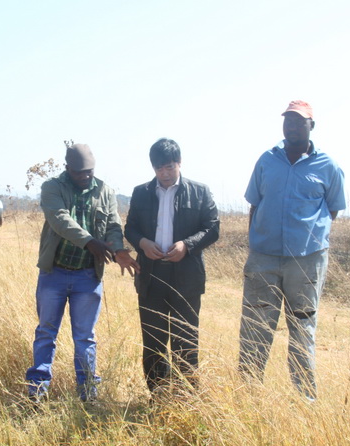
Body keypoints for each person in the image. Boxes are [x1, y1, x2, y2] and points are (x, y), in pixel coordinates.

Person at [239, 100, 346, 400]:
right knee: (255, 327)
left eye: (299, 122)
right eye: (288, 120)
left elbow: (332, 210)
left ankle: (305, 402)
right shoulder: (266, 160)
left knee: (302, 330)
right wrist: (257, 242)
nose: (292, 126)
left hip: (306, 262)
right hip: (263, 258)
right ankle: (246, 397)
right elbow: (254, 204)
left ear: (312, 126)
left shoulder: (328, 166)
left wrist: (305, 237)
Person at [25, 143, 139, 402]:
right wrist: (89, 242)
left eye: (89, 171)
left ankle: (88, 392)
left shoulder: (105, 191)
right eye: (79, 172)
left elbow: (113, 226)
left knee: (85, 337)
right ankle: (37, 391)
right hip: (54, 273)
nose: (85, 176)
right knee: (46, 333)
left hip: (87, 276)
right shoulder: (52, 187)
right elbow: (59, 219)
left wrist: (118, 250)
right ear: (68, 169)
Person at [125, 138, 219, 394]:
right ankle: (157, 398)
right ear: (153, 168)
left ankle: (186, 399)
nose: (165, 173)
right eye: (159, 168)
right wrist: (143, 243)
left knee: (185, 341)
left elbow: (212, 228)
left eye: (169, 167)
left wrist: (187, 246)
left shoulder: (200, 192)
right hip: (151, 277)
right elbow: (130, 228)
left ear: (179, 163)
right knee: (153, 341)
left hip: (186, 278)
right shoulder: (141, 192)